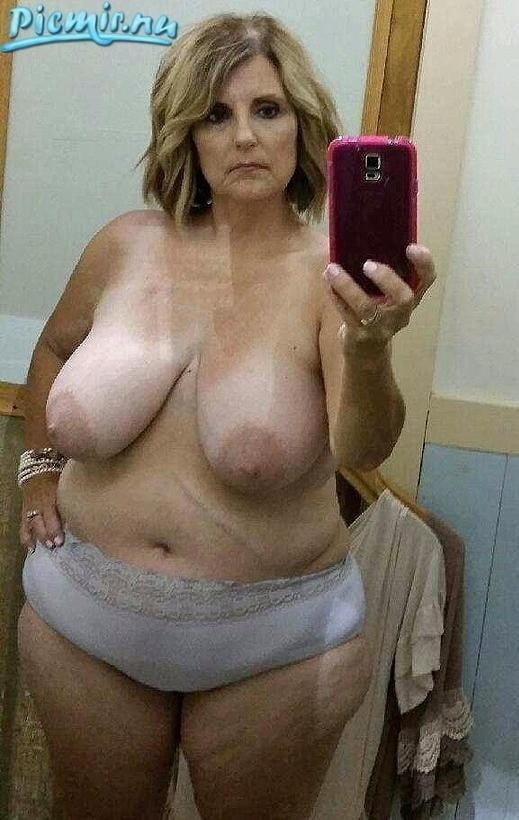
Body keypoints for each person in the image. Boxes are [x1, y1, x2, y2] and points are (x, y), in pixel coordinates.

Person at [16, 11, 436, 820]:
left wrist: (370, 347)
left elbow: (363, 445)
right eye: (215, 113)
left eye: (266, 109)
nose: (243, 136)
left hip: (272, 647)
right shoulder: (124, 244)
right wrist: (37, 474)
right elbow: (53, 351)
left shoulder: (331, 276)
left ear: (301, 124)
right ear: (185, 133)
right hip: (81, 627)